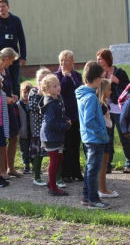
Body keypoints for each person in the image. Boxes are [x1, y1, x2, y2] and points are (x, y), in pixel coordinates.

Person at [76, 61, 111, 210]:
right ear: (97, 79)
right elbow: (90, 121)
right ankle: (93, 200)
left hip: (88, 138)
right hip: (95, 139)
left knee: (89, 168)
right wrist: (102, 134)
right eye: (102, 78)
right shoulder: (90, 98)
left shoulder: (83, 93)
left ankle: (86, 196)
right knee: (93, 170)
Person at [96, 48, 130, 173]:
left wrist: (117, 81)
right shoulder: (98, 74)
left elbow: (128, 87)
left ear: (107, 59)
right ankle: (107, 164)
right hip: (106, 111)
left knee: (124, 137)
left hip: (120, 110)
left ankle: (129, 163)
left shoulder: (119, 72)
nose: (98, 61)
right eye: (97, 59)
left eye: (100, 58)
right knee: (108, 139)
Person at [0, 48, 21, 178]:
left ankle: (10, 167)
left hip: (9, 108)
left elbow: (7, 88)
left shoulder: (5, 71)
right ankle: (1, 169)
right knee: (2, 141)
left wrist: (11, 96)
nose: (12, 64)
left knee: (14, 136)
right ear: (7, 59)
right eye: (12, 60)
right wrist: (4, 99)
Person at [0, 0, 26, 96]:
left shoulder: (16, 20)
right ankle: (3, 101)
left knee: (14, 82)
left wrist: (23, 56)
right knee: (1, 82)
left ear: (8, 6)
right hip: (0, 58)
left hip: (13, 57)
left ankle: (15, 103)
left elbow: (21, 38)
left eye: (3, 6)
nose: (1, 9)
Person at [40, 74, 71, 196]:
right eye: (54, 86)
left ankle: (51, 181)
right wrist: (65, 126)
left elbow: (61, 115)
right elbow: (51, 122)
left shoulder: (58, 98)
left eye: (58, 85)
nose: (58, 87)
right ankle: (52, 187)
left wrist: (66, 120)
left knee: (59, 159)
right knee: (54, 160)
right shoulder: (50, 103)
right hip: (50, 135)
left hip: (57, 134)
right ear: (47, 90)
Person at [55, 50, 83, 182]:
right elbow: (60, 92)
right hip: (64, 116)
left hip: (77, 115)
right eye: (61, 60)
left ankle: (76, 172)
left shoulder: (77, 75)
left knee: (75, 145)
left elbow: (80, 89)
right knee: (66, 146)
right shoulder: (57, 76)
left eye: (66, 60)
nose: (63, 63)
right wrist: (65, 77)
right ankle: (65, 173)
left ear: (72, 62)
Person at [29, 67, 52, 186]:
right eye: (38, 79)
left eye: (43, 80)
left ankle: (57, 178)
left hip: (51, 130)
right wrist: (40, 95)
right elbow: (33, 107)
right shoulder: (34, 92)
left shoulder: (52, 93)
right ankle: (37, 176)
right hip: (38, 130)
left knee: (55, 153)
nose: (40, 82)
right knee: (39, 154)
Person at [97, 79, 118, 198]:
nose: (111, 92)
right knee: (102, 163)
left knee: (105, 162)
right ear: (103, 90)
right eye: (109, 89)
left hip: (107, 132)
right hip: (104, 133)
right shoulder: (101, 104)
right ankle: (102, 189)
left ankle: (103, 188)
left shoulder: (104, 102)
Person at [16, 81, 33, 174]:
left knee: (34, 149)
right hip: (24, 132)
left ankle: (35, 165)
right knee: (24, 149)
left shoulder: (33, 104)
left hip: (33, 131)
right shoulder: (18, 105)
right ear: (21, 92)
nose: (26, 94)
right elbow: (17, 118)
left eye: (28, 92)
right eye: (24, 92)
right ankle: (26, 165)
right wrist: (19, 129)